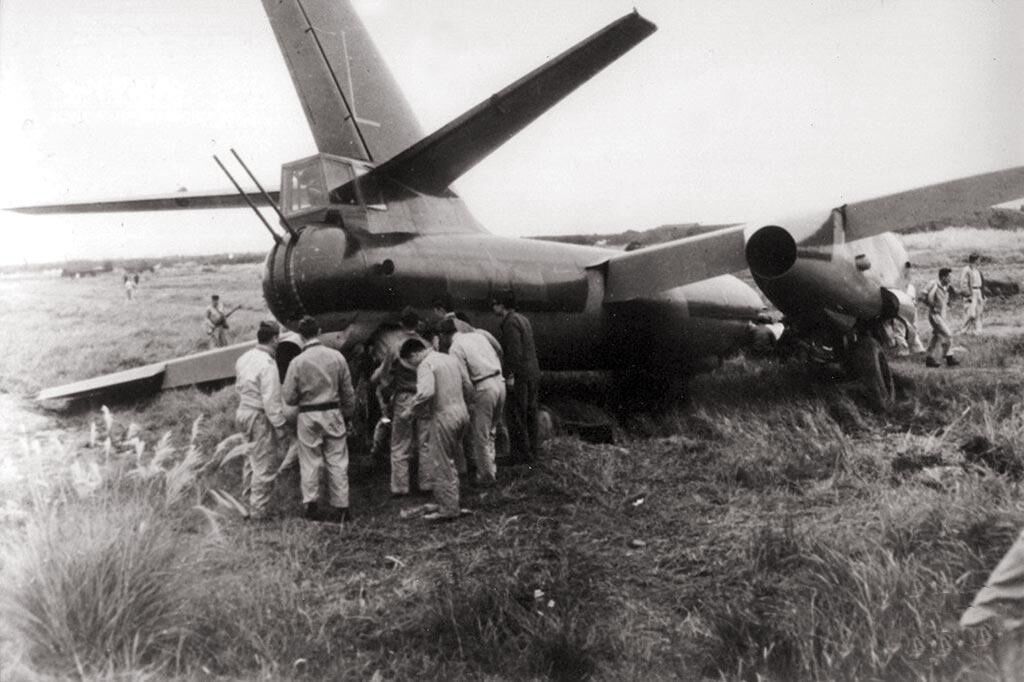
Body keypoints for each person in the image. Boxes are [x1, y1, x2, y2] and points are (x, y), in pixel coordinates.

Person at [282, 316, 357, 523]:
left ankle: (311, 506)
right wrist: (348, 415)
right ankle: (341, 508)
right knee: (337, 461)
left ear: (300, 335)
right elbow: (348, 392)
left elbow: (288, 397)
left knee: (310, 462)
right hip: (333, 412)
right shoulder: (336, 357)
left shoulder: (297, 362)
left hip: (307, 414)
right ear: (320, 331)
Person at [400, 336, 473, 522]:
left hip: (443, 415)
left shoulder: (426, 364)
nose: (413, 366)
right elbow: (467, 385)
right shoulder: (450, 359)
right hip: (461, 412)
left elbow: (426, 392)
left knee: (441, 462)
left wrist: (411, 410)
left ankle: (448, 508)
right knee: (454, 460)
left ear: (415, 354)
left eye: (410, 362)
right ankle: (449, 500)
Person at [234, 321, 291, 520]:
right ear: (274, 338)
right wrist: (281, 426)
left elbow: (238, 387)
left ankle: (246, 506)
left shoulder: (244, 358)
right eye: (279, 339)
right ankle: (258, 512)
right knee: (264, 464)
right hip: (258, 415)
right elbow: (271, 400)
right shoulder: (268, 364)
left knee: (250, 461)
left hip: (242, 412)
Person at [371, 307, 430, 496]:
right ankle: (427, 483)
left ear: (401, 323)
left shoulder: (394, 346)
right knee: (425, 441)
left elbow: (385, 375)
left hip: (404, 397)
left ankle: (400, 487)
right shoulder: (427, 345)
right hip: (423, 396)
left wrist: (387, 394)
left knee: (400, 443)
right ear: (417, 323)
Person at [439, 317, 505, 487]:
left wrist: (469, 402)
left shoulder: (455, 347)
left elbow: (465, 380)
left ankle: (486, 477)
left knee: (480, 435)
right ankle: (492, 469)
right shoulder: (478, 336)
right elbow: (499, 351)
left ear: (445, 336)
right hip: (499, 381)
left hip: (483, 386)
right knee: (491, 430)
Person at [491, 291, 540, 464]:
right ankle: (533, 452)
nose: (493, 307)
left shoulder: (509, 322)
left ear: (502, 306)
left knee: (516, 414)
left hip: (520, 375)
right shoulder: (523, 319)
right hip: (532, 372)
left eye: (495, 303)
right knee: (530, 412)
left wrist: (510, 375)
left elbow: (514, 353)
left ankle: (520, 456)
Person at [924, 268, 960, 368]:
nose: (950, 279)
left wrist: (949, 303)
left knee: (936, 337)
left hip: (941, 315)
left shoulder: (946, 287)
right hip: (935, 315)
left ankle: (929, 358)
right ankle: (947, 357)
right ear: (943, 277)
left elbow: (948, 299)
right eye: (949, 277)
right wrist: (931, 305)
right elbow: (923, 295)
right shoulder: (933, 284)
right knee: (948, 334)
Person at [959, 253, 985, 334]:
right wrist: (967, 294)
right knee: (970, 313)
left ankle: (978, 331)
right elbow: (963, 283)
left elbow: (981, 283)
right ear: (975, 260)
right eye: (978, 259)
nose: (980, 261)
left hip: (978, 291)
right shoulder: (967, 269)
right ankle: (964, 330)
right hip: (971, 292)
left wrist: (982, 295)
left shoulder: (977, 270)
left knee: (979, 312)